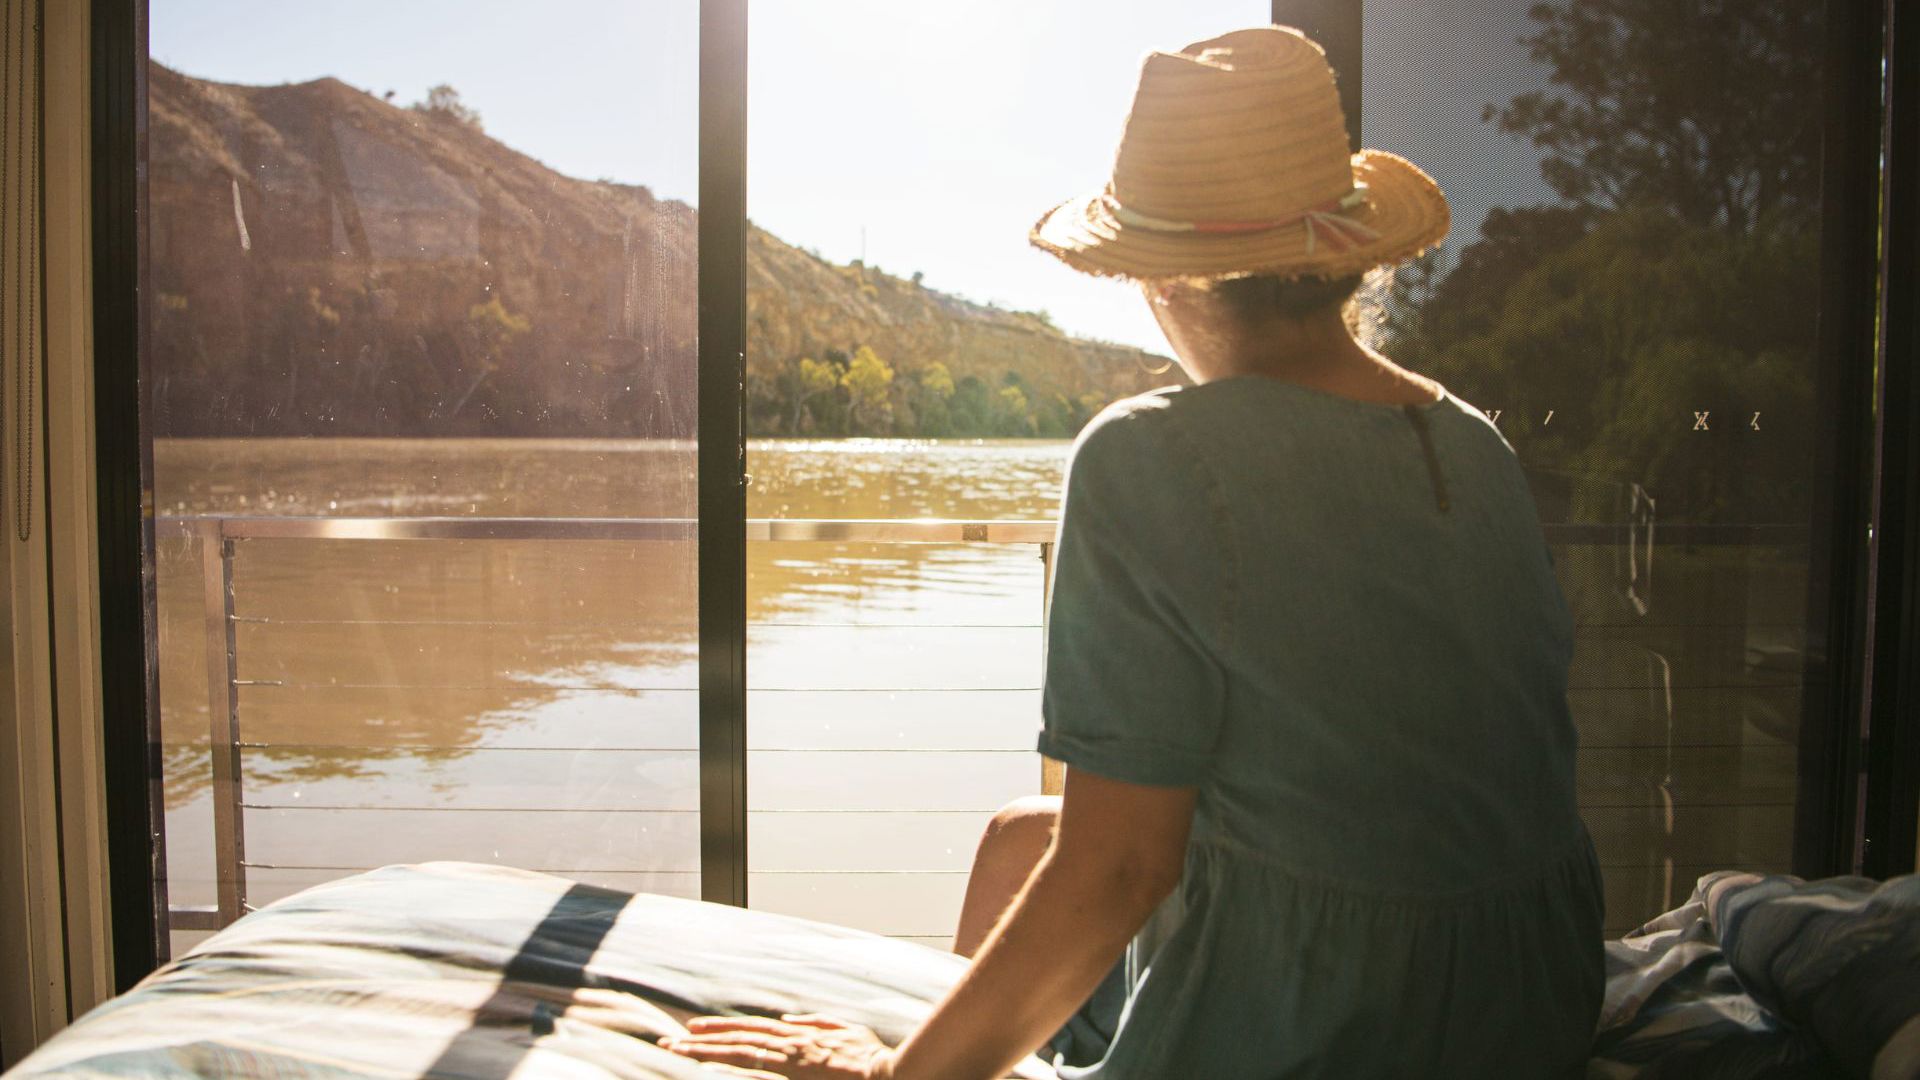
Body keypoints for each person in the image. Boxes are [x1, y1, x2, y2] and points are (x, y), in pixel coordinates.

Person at [659, 25, 1604, 1079]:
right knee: (1026, 834)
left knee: (1062, 863)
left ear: (1167, 283)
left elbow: (1120, 868)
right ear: (1343, 265)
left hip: (1339, 1025)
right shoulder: (1476, 442)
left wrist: (893, 1077)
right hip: (1528, 992)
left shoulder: (1151, 456)